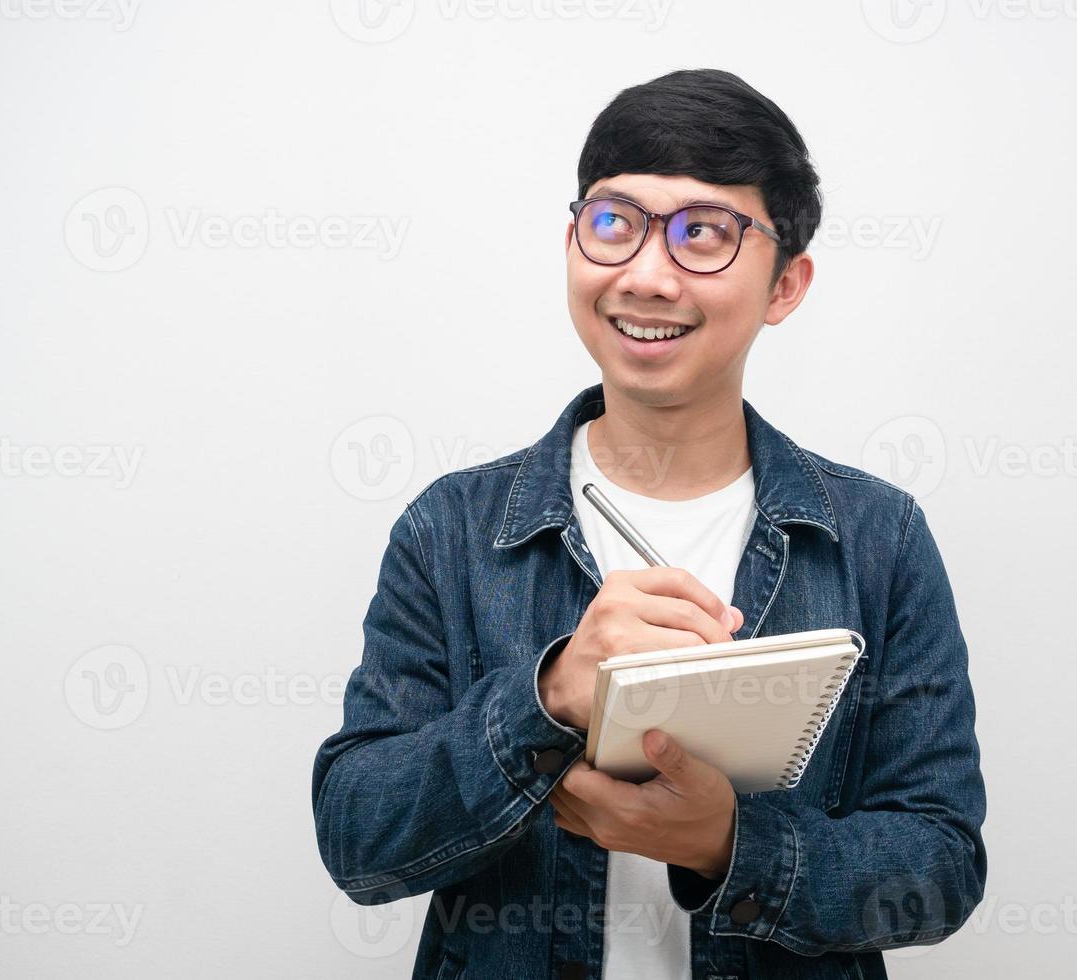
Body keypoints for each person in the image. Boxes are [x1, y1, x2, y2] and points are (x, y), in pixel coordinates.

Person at [312, 67, 987, 980]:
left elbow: (940, 867)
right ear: (571, 242)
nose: (646, 275)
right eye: (613, 223)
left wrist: (727, 844)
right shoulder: (452, 529)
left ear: (786, 285)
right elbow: (358, 838)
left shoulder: (877, 538)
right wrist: (546, 696)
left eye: (702, 233)